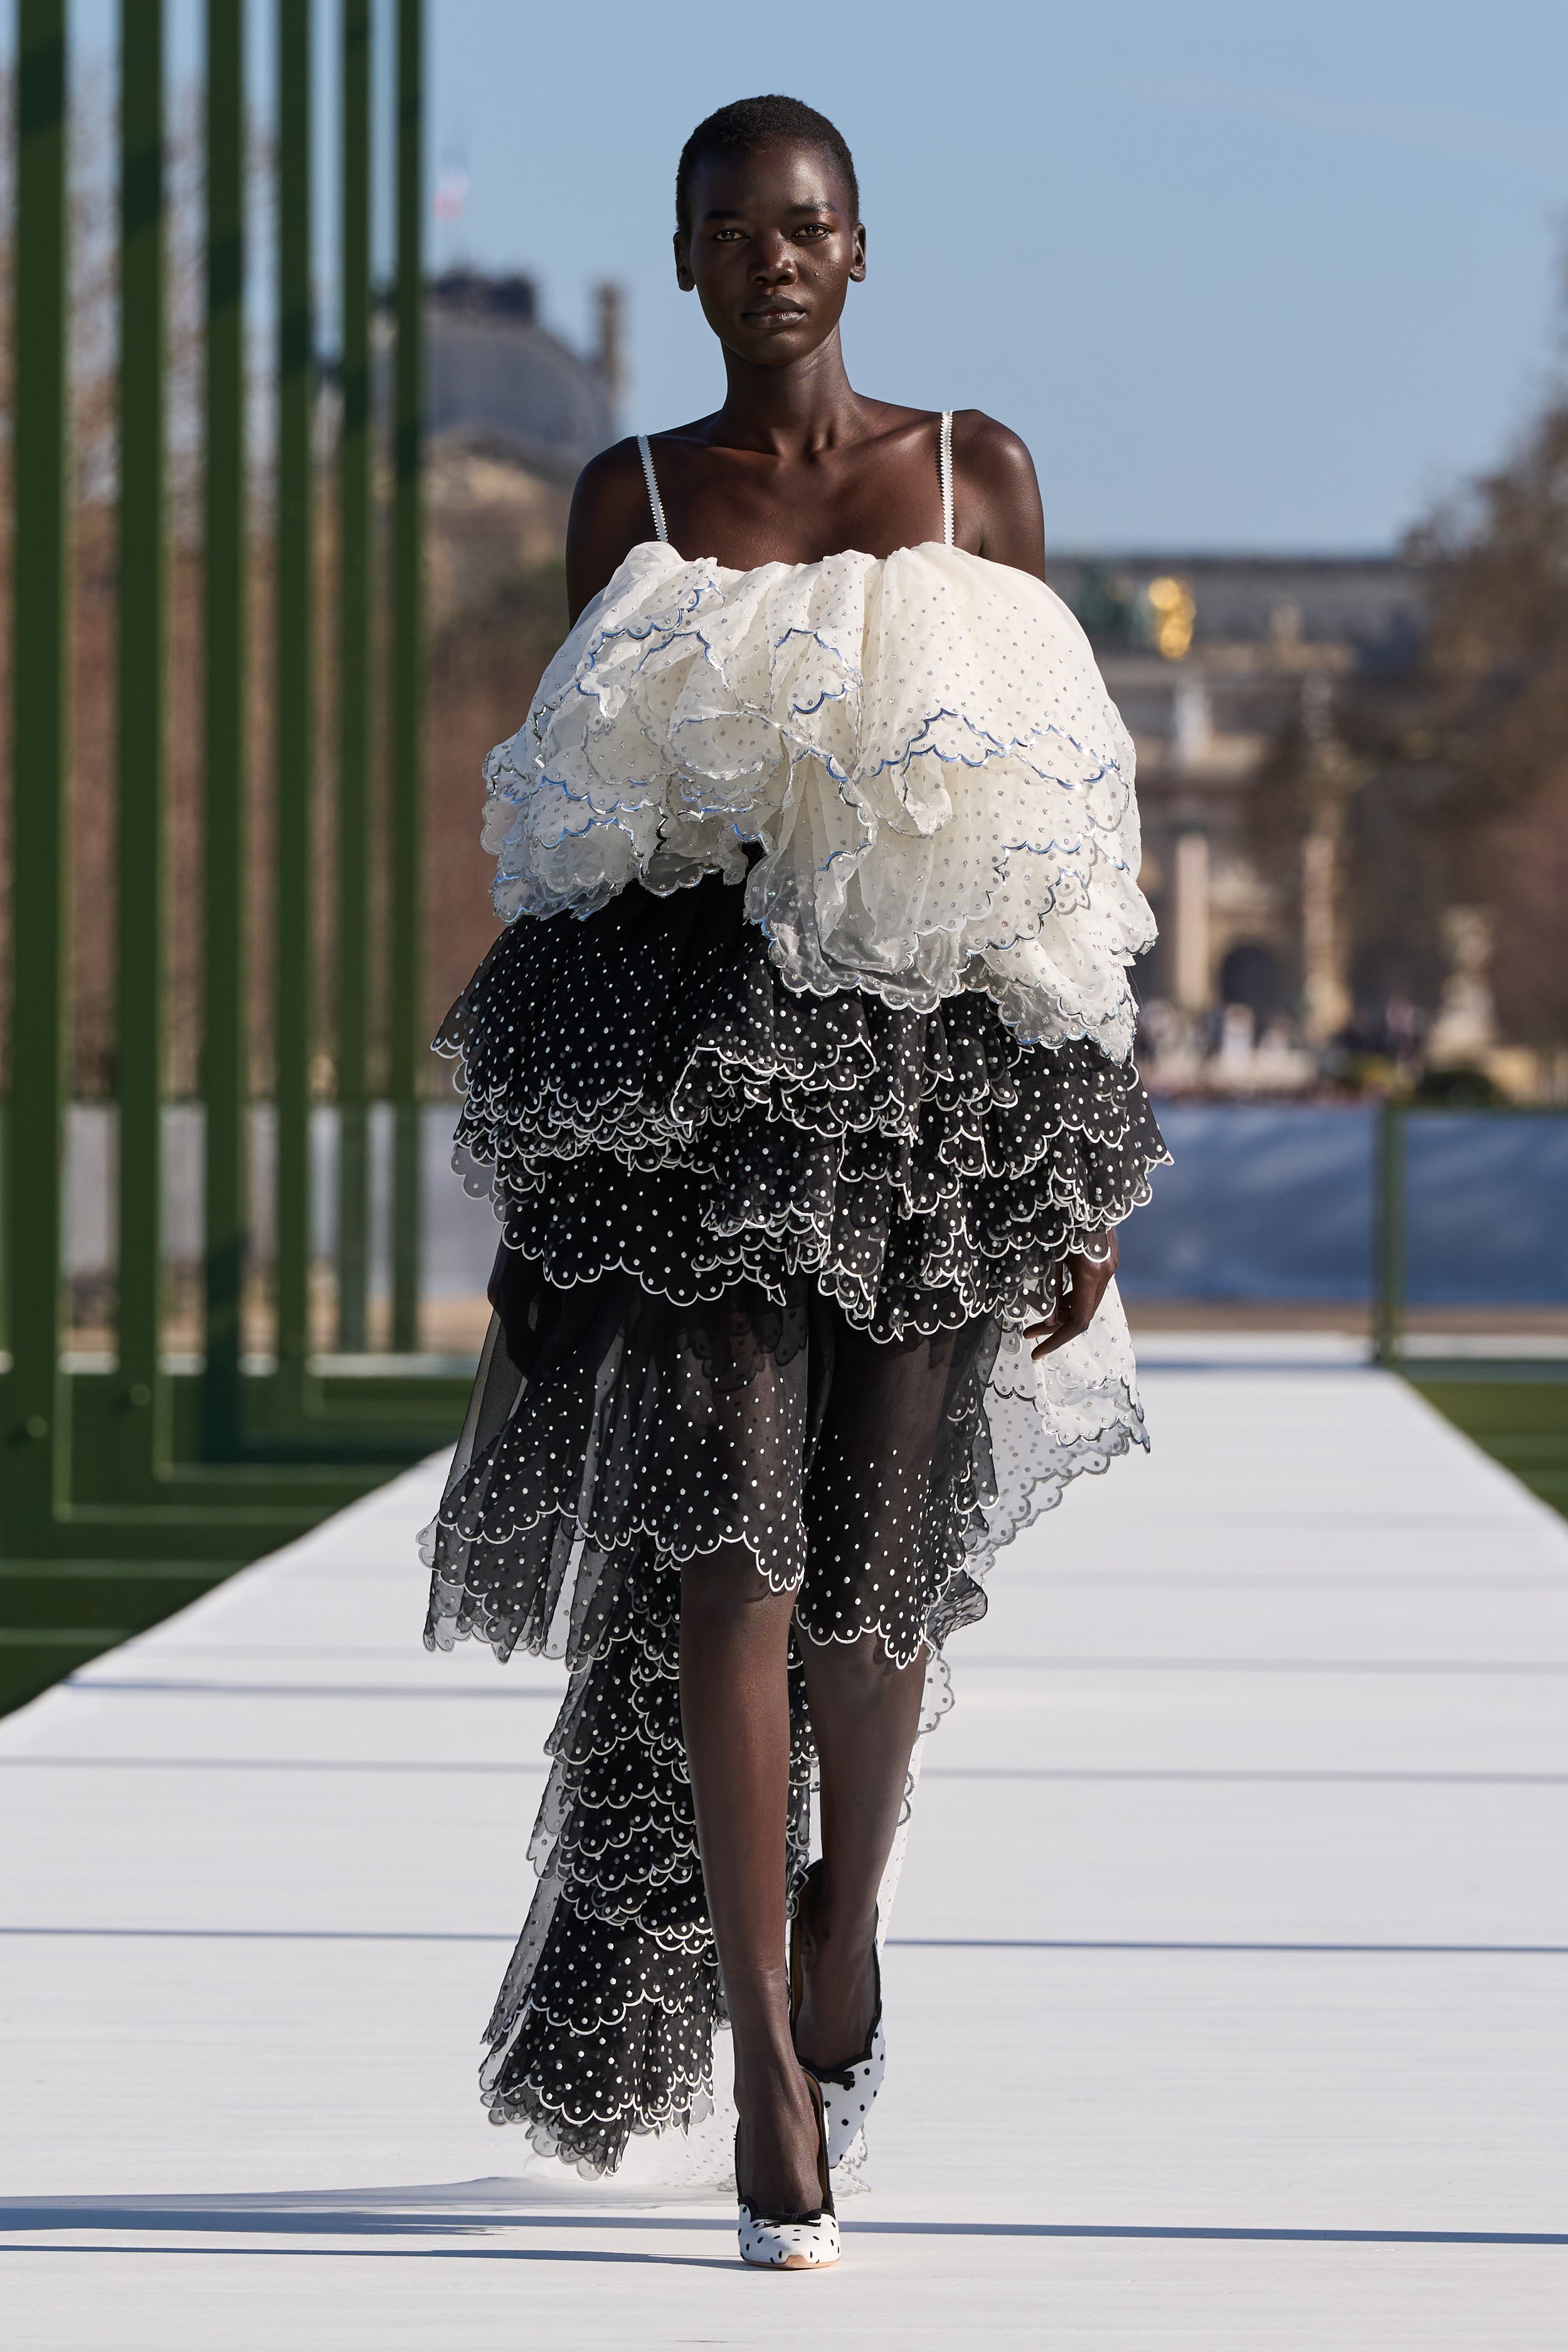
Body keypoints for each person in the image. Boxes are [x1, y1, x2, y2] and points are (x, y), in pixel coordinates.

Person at [421, 93, 1166, 2270]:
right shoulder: (631, 500)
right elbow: (577, 853)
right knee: (723, 1557)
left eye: (804, 224)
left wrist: (1074, 1157)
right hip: (694, 1089)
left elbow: (1057, 825)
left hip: (938, 1087)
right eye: (730, 226)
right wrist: (561, 1162)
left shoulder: (973, 477)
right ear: (678, 260)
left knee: (872, 1569)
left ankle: (845, 1936)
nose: (770, 256)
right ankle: (767, 2066)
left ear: (858, 251)